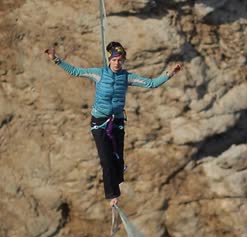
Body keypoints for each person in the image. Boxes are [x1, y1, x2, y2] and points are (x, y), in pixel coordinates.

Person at [45, 42, 182, 207]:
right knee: (106, 160)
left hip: (117, 121)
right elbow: (76, 71)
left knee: (117, 158)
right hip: (100, 122)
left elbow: (151, 84)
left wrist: (169, 74)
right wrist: (56, 59)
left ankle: (116, 178)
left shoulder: (127, 77)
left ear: (123, 61)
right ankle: (112, 195)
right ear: (109, 60)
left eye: (120, 60)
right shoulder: (99, 74)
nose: (117, 63)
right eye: (115, 60)